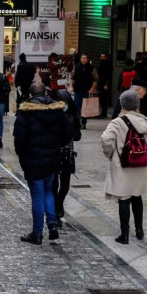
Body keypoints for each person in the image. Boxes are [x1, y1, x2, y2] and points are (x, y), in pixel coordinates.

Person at [13, 82, 74, 244]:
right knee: (48, 191)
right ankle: (52, 224)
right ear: (46, 94)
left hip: (32, 158)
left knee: (38, 195)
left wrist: (22, 154)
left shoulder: (25, 113)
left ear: (31, 95)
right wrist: (56, 146)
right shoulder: (58, 111)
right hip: (52, 157)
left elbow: (19, 138)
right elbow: (69, 133)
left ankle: (37, 233)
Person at [101, 90, 147, 244]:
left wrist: (111, 155)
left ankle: (124, 234)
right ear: (137, 105)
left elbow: (106, 139)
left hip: (123, 165)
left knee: (124, 198)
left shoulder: (118, 122)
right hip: (142, 166)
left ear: (122, 104)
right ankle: (139, 230)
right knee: (137, 195)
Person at [52, 89, 82, 223]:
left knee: (63, 184)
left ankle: (58, 203)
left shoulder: (72, 116)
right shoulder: (51, 115)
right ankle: (57, 206)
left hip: (66, 153)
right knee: (56, 183)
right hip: (57, 152)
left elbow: (77, 136)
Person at [72, 53, 99, 129]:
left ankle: (83, 122)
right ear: (80, 59)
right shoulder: (76, 67)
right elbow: (72, 77)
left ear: (87, 59)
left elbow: (96, 79)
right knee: (77, 106)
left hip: (86, 90)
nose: (83, 60)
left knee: (85, 107)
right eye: (82, 58)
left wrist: (92, 89)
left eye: (85, 58)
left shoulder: (91, 68)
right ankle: (78, 122)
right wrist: (71, 86)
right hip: (77, 90)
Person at [97, 53, 113, 118]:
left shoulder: (108, 65)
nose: (102, 58)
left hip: (105, 83)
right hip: (100, 83)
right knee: (101, 98)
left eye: (104, 56)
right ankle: (103, 113)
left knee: (104, 99)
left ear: (106, 57)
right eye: (101, 56)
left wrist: (107, 84)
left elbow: (109, 76)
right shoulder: (101, 64)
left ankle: (104, 113)